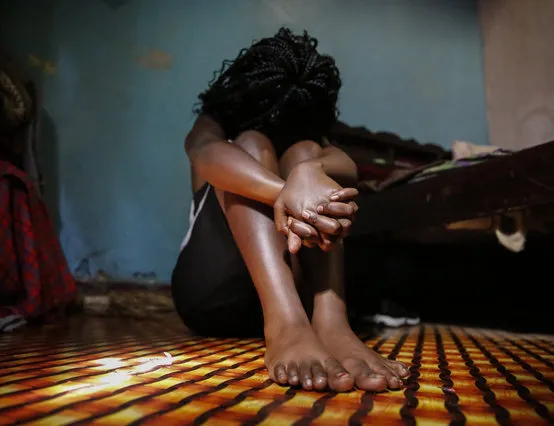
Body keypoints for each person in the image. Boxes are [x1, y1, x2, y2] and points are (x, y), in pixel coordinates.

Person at [172, 27, 409, 392]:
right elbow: (204, 152)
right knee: (250, 145)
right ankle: (285, 323)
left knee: (306, 153)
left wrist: (310, 172)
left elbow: (344, 164)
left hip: (299, 288)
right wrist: (287, 193)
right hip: (212, 296)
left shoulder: (306, 140)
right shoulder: (213, 123)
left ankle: (331, 321)